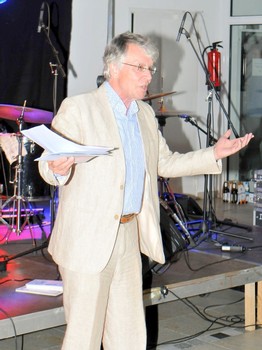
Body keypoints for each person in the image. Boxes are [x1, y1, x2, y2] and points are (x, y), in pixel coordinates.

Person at [38, 32, 254, 350]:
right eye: (140, 67)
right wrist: (57, 169)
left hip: (128, 238)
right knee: (83, 338)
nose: (148, 76)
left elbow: (164, 164)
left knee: (129, 338)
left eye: (150, 68)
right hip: (87, 241)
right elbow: (48, 163)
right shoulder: (79, 108)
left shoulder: (145, 115)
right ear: (113, 67)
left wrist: (214, 154)